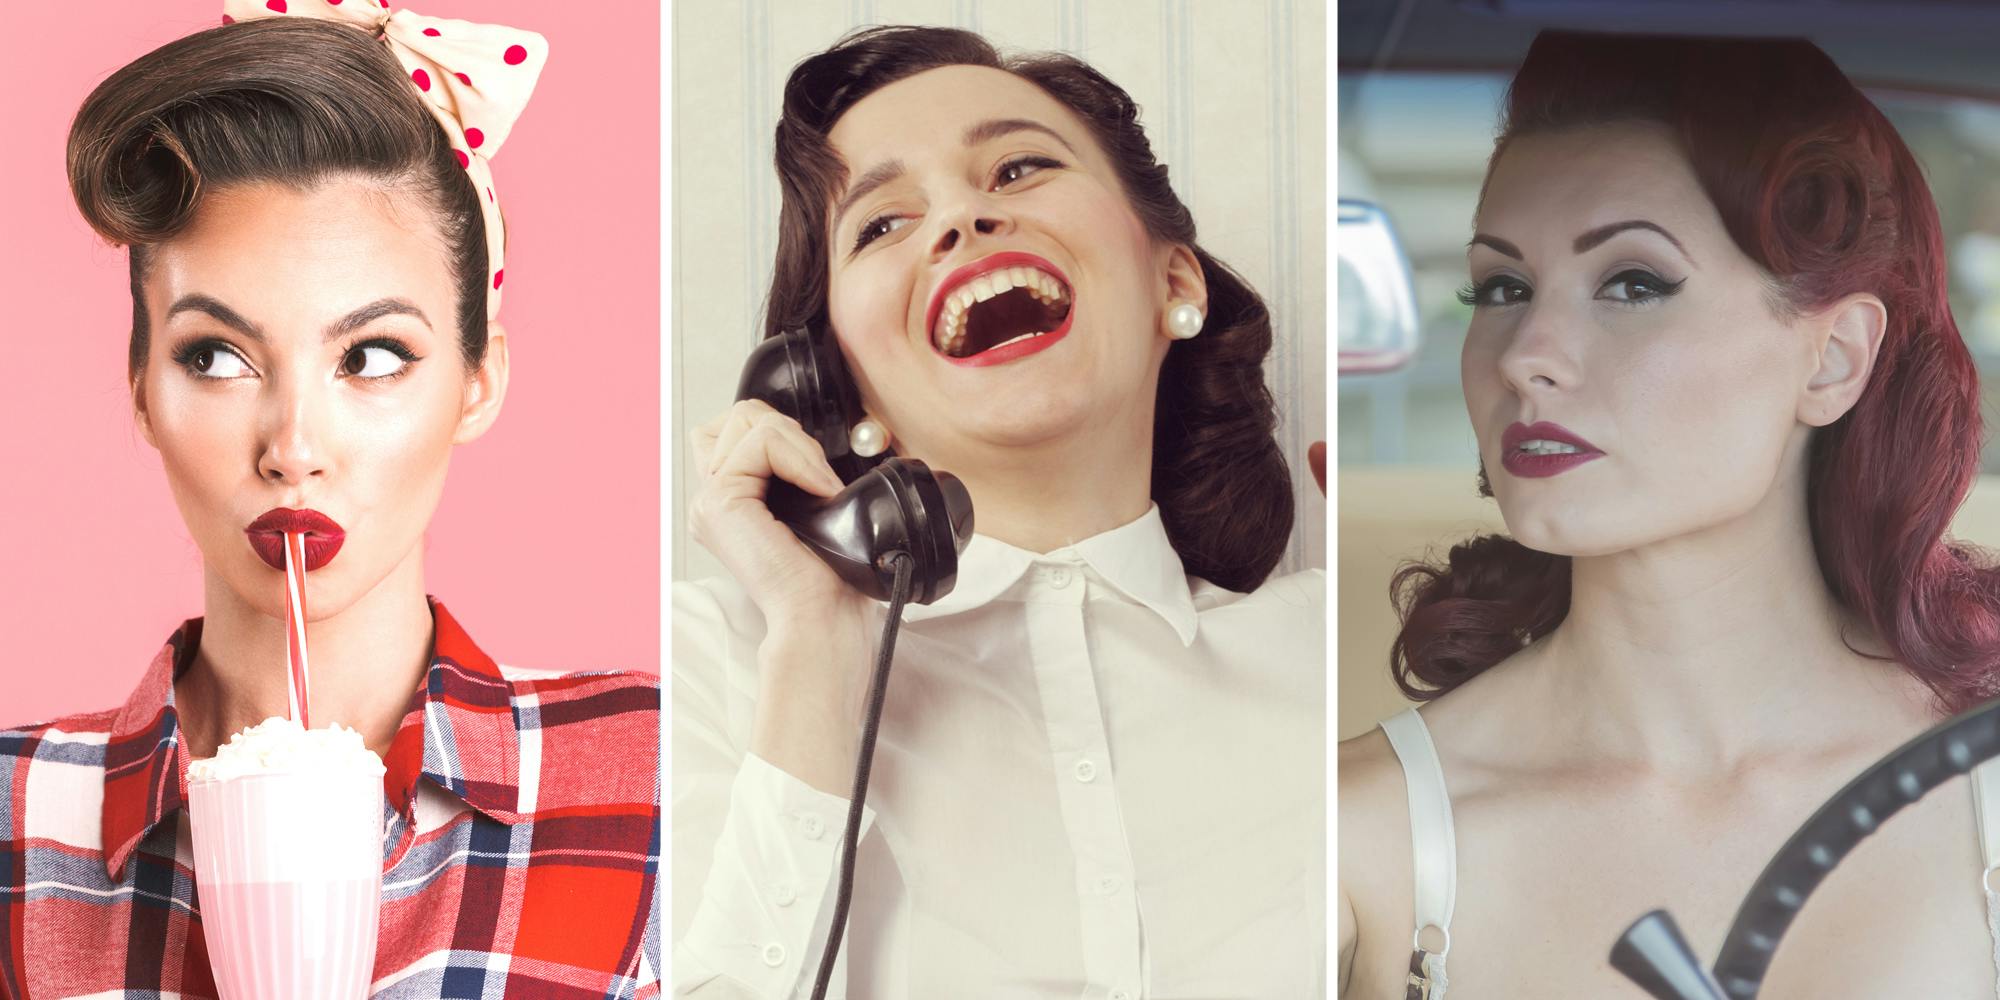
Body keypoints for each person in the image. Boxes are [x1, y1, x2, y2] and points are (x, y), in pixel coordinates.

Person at [0, 7, 659, 997]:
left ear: (478, 379)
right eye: (215, 357)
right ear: (141, 386)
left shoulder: (648, 775)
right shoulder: (18, 816)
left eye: (372, 356)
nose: (293, 448)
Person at [1339, 31, 2000, 997]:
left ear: (1833, 359)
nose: (1528, 353)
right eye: (1503, 288)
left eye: (1633, 283)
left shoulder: (1984, 791)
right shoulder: (1361, 838)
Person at [673, 25, 1327, 999]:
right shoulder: (711, 662)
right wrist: (814, 652)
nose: (960, 219)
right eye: (881, 223)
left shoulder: (1323, 654)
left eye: (1017, 169)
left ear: (1173, 283)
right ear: (840, 393)